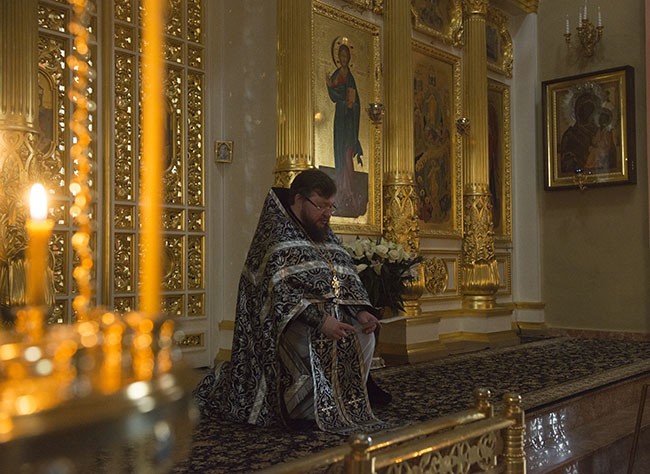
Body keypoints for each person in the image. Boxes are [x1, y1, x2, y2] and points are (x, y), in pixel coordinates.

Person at [195, 169, 388, 434]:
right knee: (312, 338)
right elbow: (279, 295)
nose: (327, 213)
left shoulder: (324, 234)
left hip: (331, 319)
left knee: (363, 335)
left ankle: (342, 400)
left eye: (331, 206)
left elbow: (345, 277)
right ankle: (303, 408)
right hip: (288, 324)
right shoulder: (276, 236)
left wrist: (361, 311)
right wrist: (321, 321)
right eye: (321, 205)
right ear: (299, 199)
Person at [326, 44, 363, 215]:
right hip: (340, 119)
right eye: (341, 56)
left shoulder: (351, 77)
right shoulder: (337, 74)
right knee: (340, 152)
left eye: (345, 56)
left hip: (350, 123)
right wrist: (329, 86)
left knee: (348, 153)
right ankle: (342, 188)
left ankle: (350, 190)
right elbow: (333, 95)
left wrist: (352, 105)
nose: (343, 59)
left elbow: (357, 102)